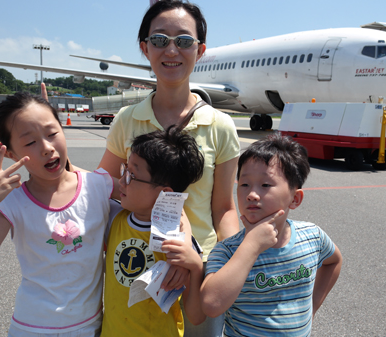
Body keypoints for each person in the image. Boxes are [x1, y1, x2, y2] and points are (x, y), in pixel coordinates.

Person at [98, 1, 240, 334]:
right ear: (145, 49)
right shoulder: (126, 120)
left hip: (196, 270)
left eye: (184, 41)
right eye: (160, 40)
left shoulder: (221, 126)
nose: (172, 49)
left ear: (200, 50)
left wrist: (225, 264)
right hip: (134, 267)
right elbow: (103, 187)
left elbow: (223, 208)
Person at [0, 92, 116, 336]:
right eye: (30, 142)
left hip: (89, 326)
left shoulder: (99, 186)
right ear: (10, 153)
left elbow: (151, 202)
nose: (47, 148)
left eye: (52, 134)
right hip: (32, 327)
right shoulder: (14, 202)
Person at [201, 133, 343, 336]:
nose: (251, 194)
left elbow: (334, 261)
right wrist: (251, 245)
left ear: (295, 198)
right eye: (244, 184)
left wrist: (312, 307)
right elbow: (211, 304)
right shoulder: (227, 251)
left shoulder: (312, 236)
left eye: (265, 185)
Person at [102, 126, 206, 336]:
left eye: (132, 175)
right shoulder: (113, 217)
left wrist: (195, 268)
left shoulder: (180, 244)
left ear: (164, 193)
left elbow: (196, 316)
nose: (121, 180)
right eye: (125, 170)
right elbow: (81, 182)